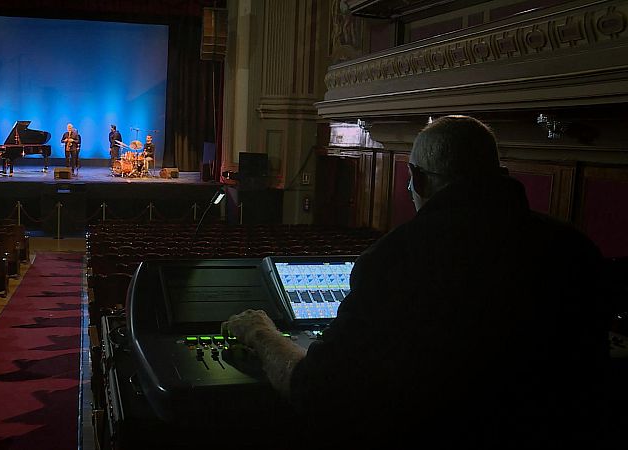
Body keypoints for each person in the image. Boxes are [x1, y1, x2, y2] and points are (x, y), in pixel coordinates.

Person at [222, 115, 612, 449]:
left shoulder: (395, 260)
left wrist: (260, 333)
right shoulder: (575, 248)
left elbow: (315, 390)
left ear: (417, 179)